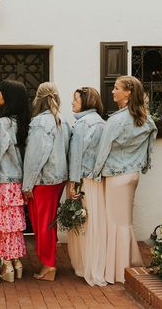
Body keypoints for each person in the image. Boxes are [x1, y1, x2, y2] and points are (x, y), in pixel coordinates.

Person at [93, 75, 157, 284]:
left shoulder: (116, 120)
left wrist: (95, 173)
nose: (112, 91)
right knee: (125, 222)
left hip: (116, 176)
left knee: (116, 223)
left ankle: (118, 271)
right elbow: (150, 145)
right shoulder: (146, 118)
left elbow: (103, 150)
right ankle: (130, 262)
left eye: (116, 88)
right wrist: (144, 164)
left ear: (128, 92)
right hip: (133, 175)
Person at [0, 79, 30, 283]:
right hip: (16, 183)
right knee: (14, 227)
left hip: (1, 182)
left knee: (2, 227)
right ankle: (17, 262)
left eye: (1, 92)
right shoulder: (22, 123)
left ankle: (6, 263)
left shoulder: (2, 123)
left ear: (10, 97)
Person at [23, 82, 71, 281]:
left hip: (42, 180)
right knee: (49, 222)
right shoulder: (62, 120)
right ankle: (48, 262)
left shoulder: (39, 123)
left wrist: (27, 184)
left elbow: (35, 156)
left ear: (38, 99)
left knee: (42, 223)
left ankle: (48, 265)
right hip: (58, 179)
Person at [67, 87, 107, 286]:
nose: (72, 103)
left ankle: (86, 266)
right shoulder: (101, 122)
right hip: (96, 180)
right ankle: (96, 264)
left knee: (82, 225)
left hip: (82, 178)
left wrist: (73, 183)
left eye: (75, 100)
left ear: (86, 101)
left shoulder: (82, 124)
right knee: (95, 224)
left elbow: (76, 156)